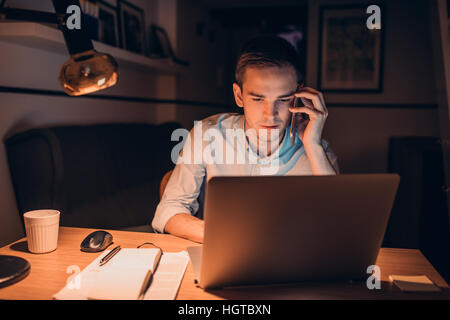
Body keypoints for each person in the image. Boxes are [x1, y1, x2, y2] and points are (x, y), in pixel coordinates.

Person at [152, 35, 339, 243]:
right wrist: (228, 235)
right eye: (258, 99)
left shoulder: (315, 149)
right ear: (239, 95)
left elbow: (339, 226)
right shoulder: (207, 134)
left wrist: (313, 146)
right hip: (224, 252)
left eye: (283, 99)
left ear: (298, 95)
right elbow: (168, 211)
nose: (271, 114)